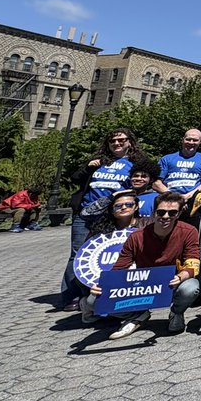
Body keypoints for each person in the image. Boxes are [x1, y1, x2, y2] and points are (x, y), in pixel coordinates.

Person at [85, 191, 201, 340]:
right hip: (143, 284)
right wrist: (104, 285)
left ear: (178, 214)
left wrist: (181, 276)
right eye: (161, 212)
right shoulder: (136, 236)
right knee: (93, 301)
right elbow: (120, 267)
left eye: (172, 213)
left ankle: (176, 313)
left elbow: (193, 261)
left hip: (172, 281)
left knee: (191, 287)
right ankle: (137, 315)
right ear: (154, 213)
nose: (166, 216)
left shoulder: (189, 231)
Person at [62, 128, 144, 309]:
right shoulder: (99, 161)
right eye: (113, 141)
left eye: (121, 140)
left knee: (108, 253)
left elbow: (143, 182)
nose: (117, 143)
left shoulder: (134, 163)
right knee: (78, 253)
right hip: (85, 213)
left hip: (111, 215)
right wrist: (88, 167)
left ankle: (104, 291)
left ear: (130, 142)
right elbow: (75, 178)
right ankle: (71, 296)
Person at [157, 129, 201, 210]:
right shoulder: (167, 159)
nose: (191, 142)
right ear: (183, 140)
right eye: (188, 139)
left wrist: (187, 196)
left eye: (195, 140)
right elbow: (156, 183)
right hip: (167, 200)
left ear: (200, 142)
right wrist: (175, 198)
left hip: (193, 203)